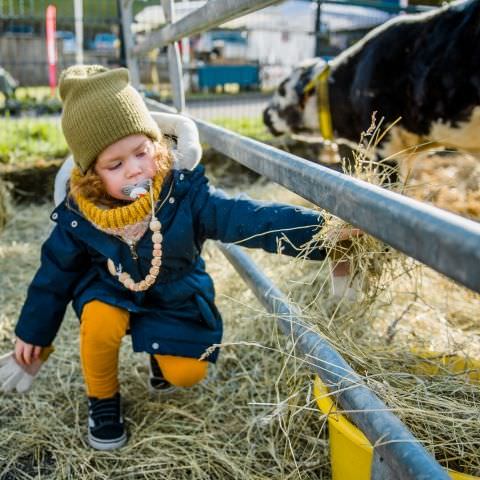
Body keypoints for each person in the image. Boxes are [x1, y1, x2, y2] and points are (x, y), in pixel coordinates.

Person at [2, 65, 346, 451]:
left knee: (187, 373)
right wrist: (34, 333)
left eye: (140, 152)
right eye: (115, 165)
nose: (134, 168)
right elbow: (53, 277)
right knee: (98, 323)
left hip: (173, 291)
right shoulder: (80, 215)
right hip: (109, 288)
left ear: (155, 143)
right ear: (93, 175)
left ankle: (160, 350)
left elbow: (249, 218)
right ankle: (103, 402)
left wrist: (322, 233)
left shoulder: (184, 196)